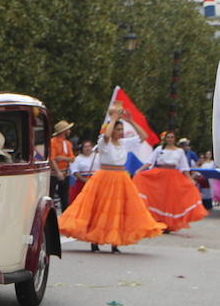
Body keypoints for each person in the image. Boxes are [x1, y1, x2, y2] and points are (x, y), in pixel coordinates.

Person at [58, 105, 165, 252]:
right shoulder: (104, 142)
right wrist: (113, 118)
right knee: (100, 209)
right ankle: (94, 241)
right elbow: (106, 136)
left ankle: (115, 243)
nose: (120, 132)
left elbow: (144, 137)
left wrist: (131, 121)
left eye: (121, 129)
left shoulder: (124, 143)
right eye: (118, 129)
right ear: (112, 129)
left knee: (119, 210)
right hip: (105, 176)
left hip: (121, 178)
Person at [133, 130, 207, 232]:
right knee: (159, 198)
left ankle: (168, 223)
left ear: (175, 139)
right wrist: (140, 170)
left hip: (173, 176)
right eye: (168, 137)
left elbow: (184, 167)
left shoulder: (179, 151)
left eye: (172, 137)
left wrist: (190, 180)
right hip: (159, 175)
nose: (170, 139)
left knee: (170, 199)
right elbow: (149, 161)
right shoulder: (159, 149)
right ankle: (157, 221)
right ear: (165, 139)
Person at [49, 120, 74, 210]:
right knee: (51, 196)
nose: (70, 131)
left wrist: (62, 158)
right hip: (54, 173)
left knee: (65, 199)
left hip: (65, 173)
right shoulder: (53, 142)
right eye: (68, 129)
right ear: (64, 131)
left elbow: (72, 158)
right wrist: (58, 172)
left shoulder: (67, 143)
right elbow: (52, 159)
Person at [68, 139, 95, 204]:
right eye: (85, 147)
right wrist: (83, 179)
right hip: (82, 182)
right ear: (82, 148)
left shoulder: (97, 156)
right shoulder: (78, 159)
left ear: (92, 147)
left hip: (95, 181)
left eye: (89, 146)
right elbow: (74, 171)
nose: (87, 148)